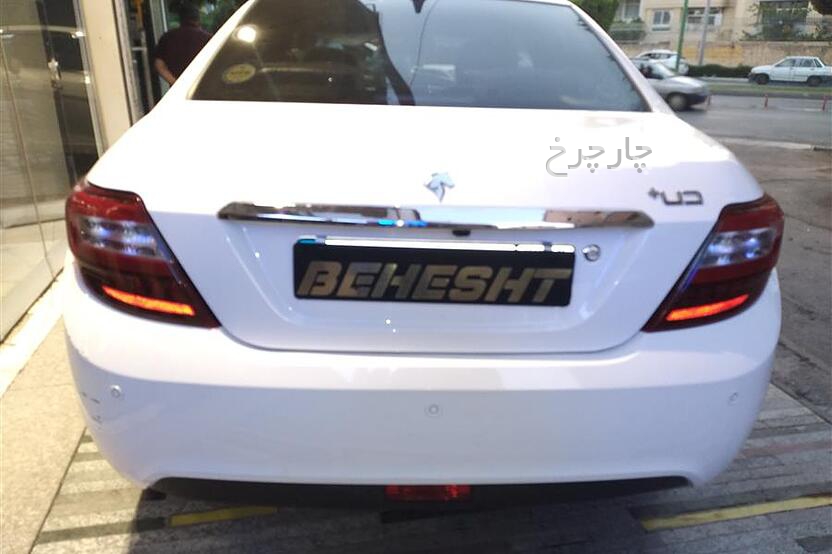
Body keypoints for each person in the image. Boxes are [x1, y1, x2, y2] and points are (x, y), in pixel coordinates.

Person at [154, 3, 211, 85]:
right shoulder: (208, 39)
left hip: (179, 90)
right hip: (204, 87)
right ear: (198, 19)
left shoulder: (167, 38)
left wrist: (176, 83)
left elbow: (159, 64)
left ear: (180, 18)